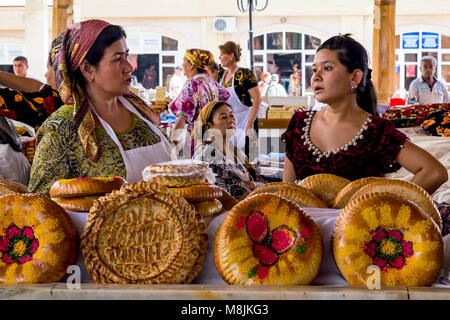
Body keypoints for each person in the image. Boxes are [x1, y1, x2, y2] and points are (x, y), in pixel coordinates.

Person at [282, 34, 447, 195]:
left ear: (355, 77)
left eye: (327, 68)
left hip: (356, 222)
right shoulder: (300, 124)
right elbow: (287, 193)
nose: (316, 77)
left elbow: (434, 173)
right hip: (302, 222)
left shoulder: (376, 131)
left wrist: (388, 209)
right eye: (314, 69)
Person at [29, 19, 172, 195]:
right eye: (118, 59)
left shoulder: (141, 113)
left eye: (126, 56)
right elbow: (40, 206)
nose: (129, 67)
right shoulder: (60, 130)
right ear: (88, 69)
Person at [193, 101, 264, 200]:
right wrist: (253, 185)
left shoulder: (235, 151)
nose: (231, 120)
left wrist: (253, 184)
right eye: (224, 117)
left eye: (231, 115)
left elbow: (255, 180)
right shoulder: (207, 154)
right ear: (208, 127)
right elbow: (237, 193)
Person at [169, 48, 229, 157]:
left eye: (184, 61)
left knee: (196, 169)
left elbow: (182, 117)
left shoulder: (192, 84)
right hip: (212, 135)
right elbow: (225, 95)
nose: (182, 65)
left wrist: (172, 139)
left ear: (191, 65)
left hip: (196, 137)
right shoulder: (210, 81)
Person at [0, 33, 65, 130]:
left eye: (49, 69)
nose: (46, 75)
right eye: (15, 65)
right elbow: (40, 87)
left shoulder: (57, 103)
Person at [217, 41, 261, 156]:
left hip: (246, 120)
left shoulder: (245, 74)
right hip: (229, 123)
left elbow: (257, 99)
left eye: (222, 54)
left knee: (247, 158)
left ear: (231, 56)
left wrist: (250, 123)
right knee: (230, 157)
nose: (219, 57)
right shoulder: (221, 75)